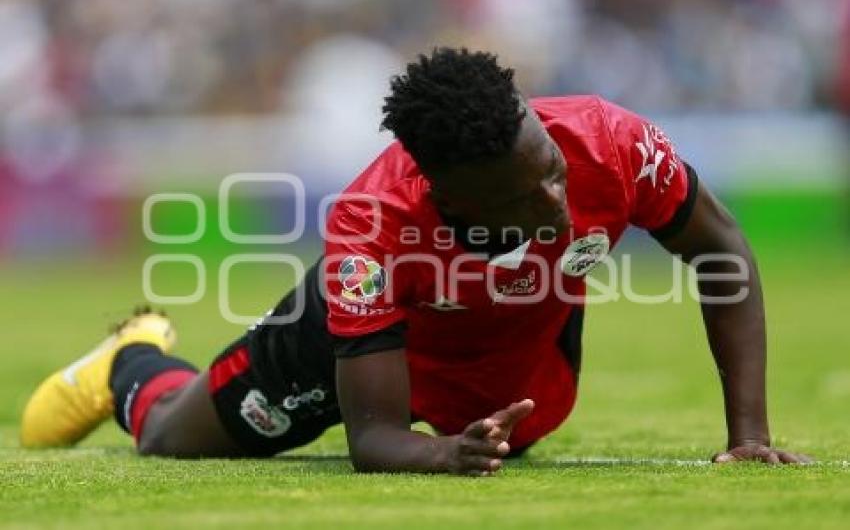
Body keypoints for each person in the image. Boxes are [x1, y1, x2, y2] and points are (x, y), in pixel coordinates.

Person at [20, 48, 809, 474]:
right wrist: (438, 453)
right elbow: (376, 442)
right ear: (449, 193)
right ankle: (129, 360)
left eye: (553, 173)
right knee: (167, 441)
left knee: (512, 439)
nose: (559, 206)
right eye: (525, 200)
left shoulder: (611, 141)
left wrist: (748, 434)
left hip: (507, 337)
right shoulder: (371, 228)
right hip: (352, 341)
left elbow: (723, 250)